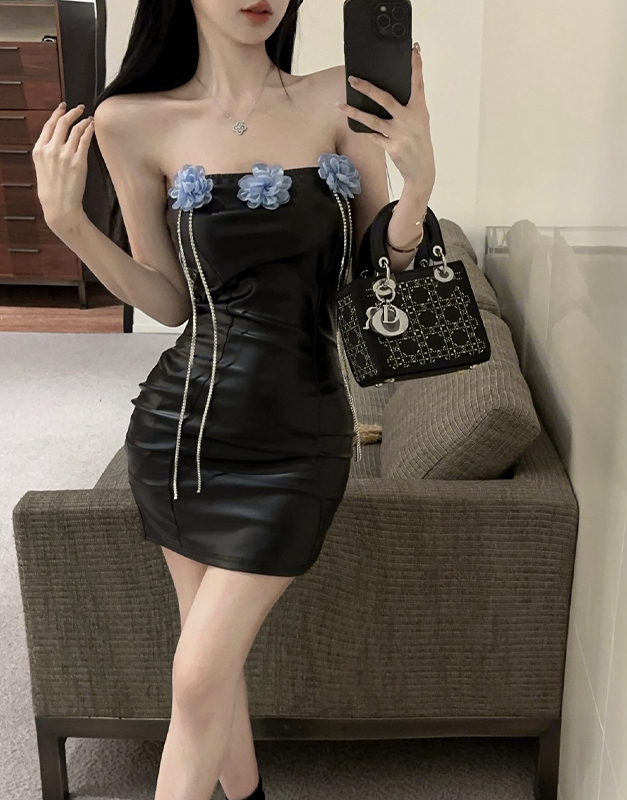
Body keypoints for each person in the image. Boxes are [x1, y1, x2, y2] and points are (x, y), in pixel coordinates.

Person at [31, 1, 435, 798]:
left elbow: (370, 283)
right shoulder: (130, 121)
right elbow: (169, 301)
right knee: (207, 670)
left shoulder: (343, 98)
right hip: (179, 437)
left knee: (195, 676)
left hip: (301, 441)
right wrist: (69, 224)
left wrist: (416, 195)